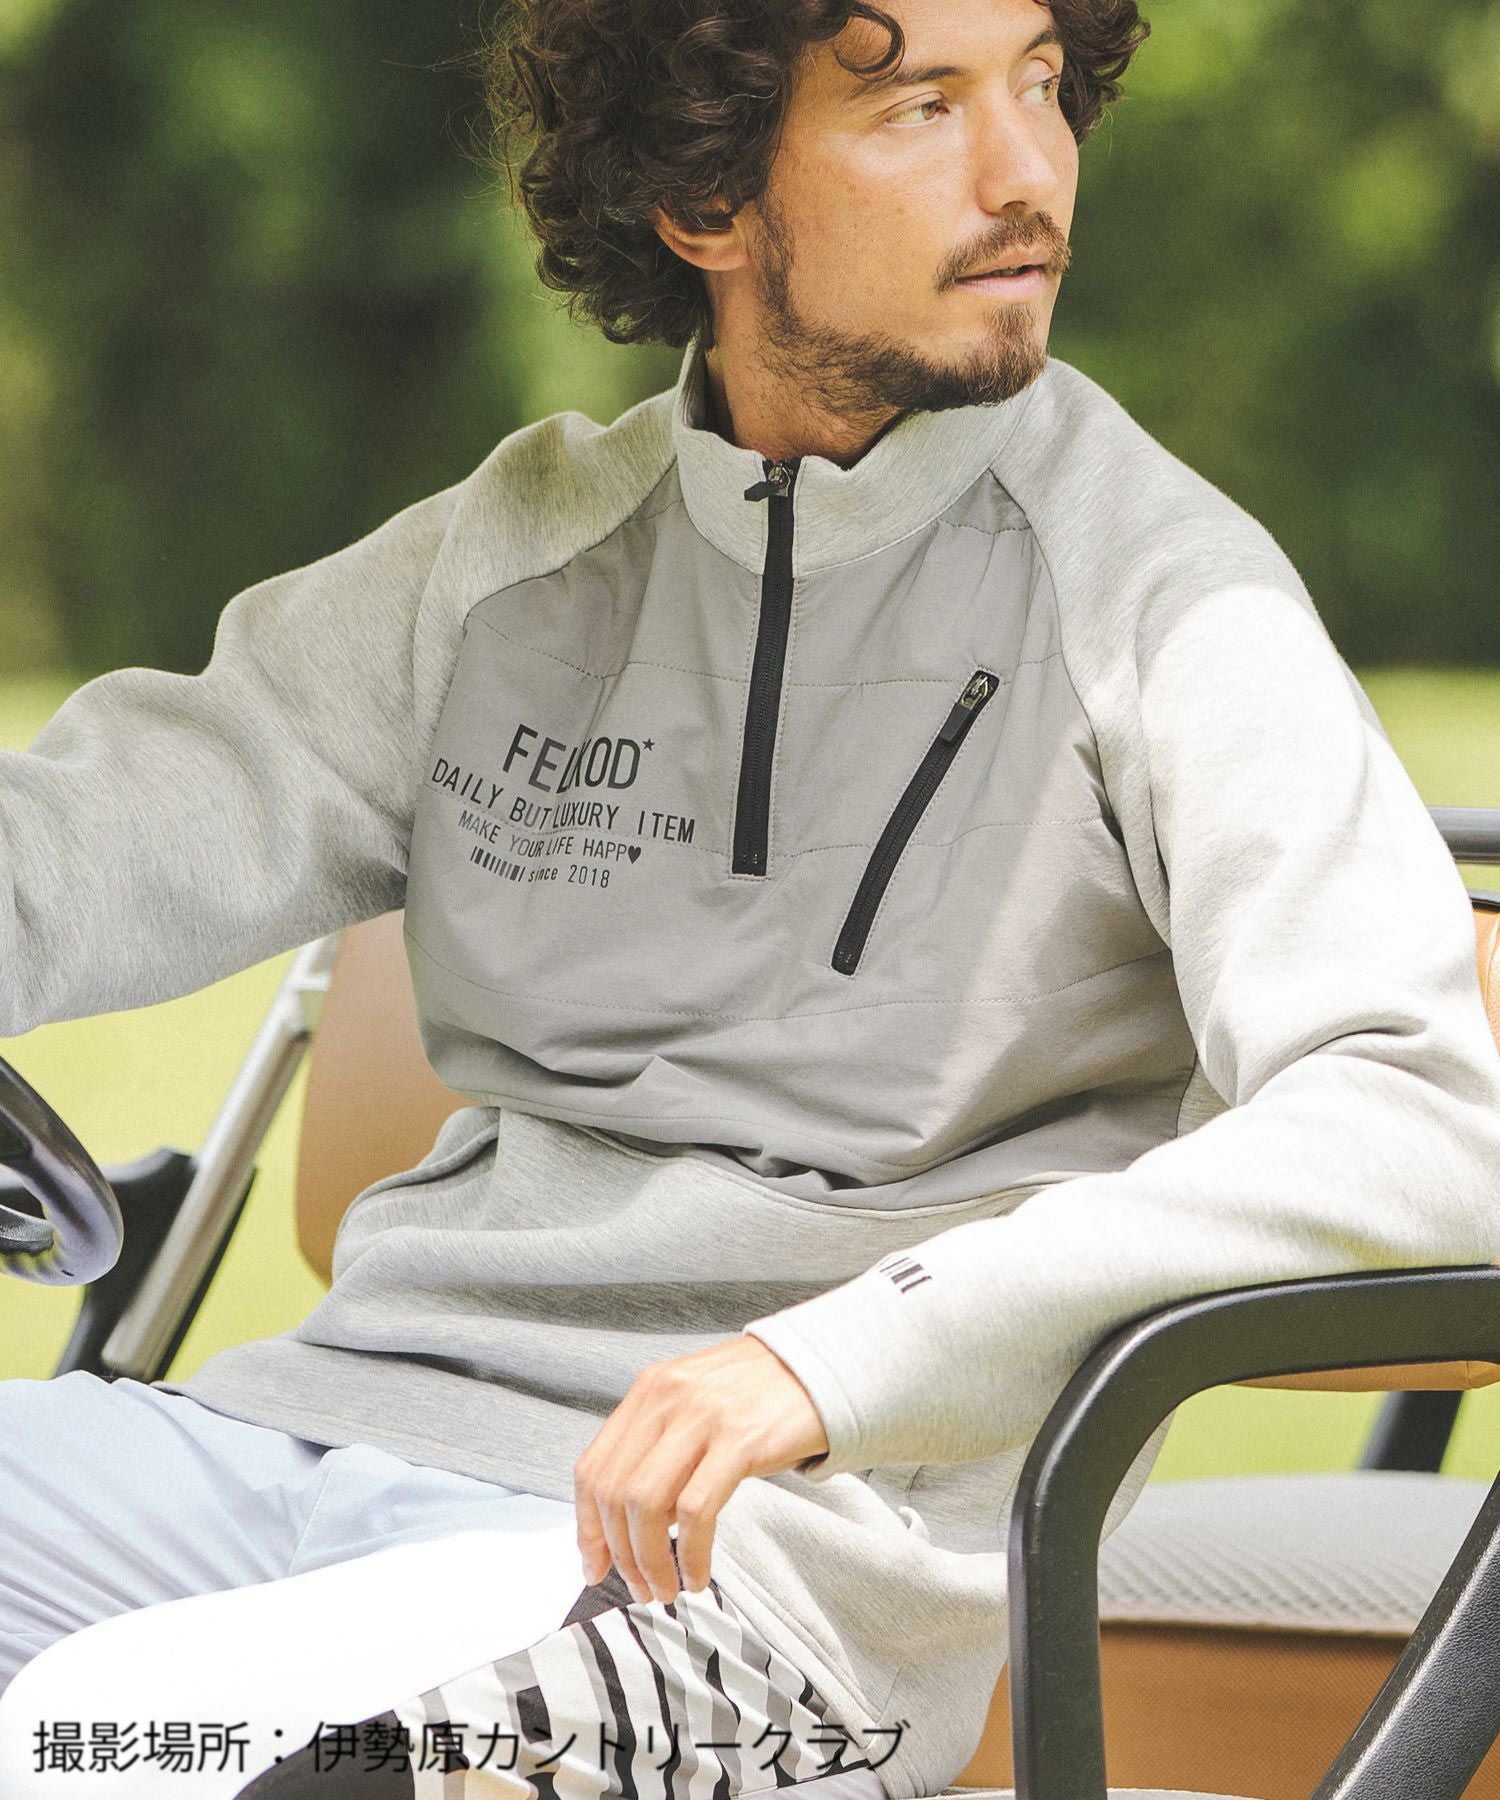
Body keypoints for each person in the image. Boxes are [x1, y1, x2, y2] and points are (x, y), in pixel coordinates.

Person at [2, 0, 1498, 1793]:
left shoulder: (1171, 600)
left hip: (749, 1578)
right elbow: (91, 834)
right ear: (703, 193)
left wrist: (840, 1359)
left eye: (1040, 83)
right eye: (921, 105)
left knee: (112, 1748)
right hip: (303, 1439)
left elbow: (1424, 1121)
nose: (1027, 173)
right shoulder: (519, 556)